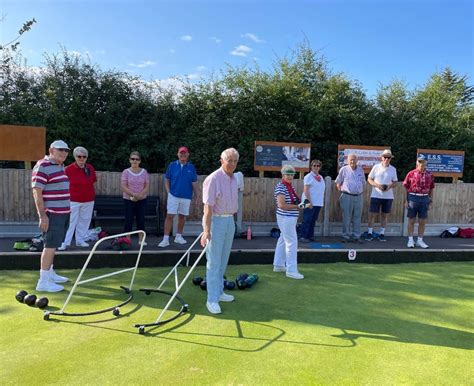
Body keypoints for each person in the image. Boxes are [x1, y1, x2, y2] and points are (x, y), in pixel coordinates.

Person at [200, 148, 239, 314]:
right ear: (221, 160)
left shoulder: (234, 178)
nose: (232, 164)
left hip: (230, 220)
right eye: (229, 160)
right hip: (216, 221)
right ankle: (212, 299)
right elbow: (207, 208)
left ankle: (220, 292)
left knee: (223, 259)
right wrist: (206, 230)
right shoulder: (213, 178)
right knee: (214, 262)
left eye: (234, 161)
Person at [31, 140, 71, 292]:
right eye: (60, 149)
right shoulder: (43, 165)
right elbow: (37, 192)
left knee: (54, 245)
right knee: (50, 246)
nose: (64, 152)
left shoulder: (60, 166)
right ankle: (43, 282)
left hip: (63, 213)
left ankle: (50, 273)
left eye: (66, 150)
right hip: (52, 214)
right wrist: (42, 216)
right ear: (51, 150)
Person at [273, 164, 310, 279]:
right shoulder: (281, 187)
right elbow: (282, 205)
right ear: (283, 175)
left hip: (288, 218)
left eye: (291, 174)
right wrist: (298, 206)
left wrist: (302, 204)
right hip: (286, 217)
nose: (289, 176)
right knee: (291, 242)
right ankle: (291, 270)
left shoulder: (289, 187)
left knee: (283, 239)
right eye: (287, 174)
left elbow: (293, 202)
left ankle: (278, 265)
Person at [158, 146, 198, 248]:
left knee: (182, 216)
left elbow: (194, 182)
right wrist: (168, 191)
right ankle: (165, 239)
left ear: (188, 155)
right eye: (181, 153)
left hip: (186, 196)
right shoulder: (172, 165)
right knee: (170, 216)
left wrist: (197, 195)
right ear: (178, 154)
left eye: (184, 153)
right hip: (173, 195)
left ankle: (178, 237)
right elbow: (167, 179)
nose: (182, 155)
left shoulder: (191, 167)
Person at [58, 146, 97, 250]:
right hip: (73, 200)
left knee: (84, 220)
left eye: (84, 156)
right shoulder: (68, 169)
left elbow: (92, 181)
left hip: (88, 199)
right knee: (70, 222)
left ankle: (80, 240)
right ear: (75, 157)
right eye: (79, 156)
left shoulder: (90, 168)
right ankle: (64, 242)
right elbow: (62, 185)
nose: (82, 159)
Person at [403, 154, 435, 248]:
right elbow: (406, 187)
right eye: (419, 161)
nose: (421, 163)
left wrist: (430, 201)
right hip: (413, 197)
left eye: (423, 162)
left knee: (422, 221)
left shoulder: (430, 175)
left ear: (426, 163)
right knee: (411, 220)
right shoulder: (411, 173)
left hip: (425, 198)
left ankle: (420, 240)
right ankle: (410, 240)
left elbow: (432, 188)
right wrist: (406, 200)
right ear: (417, 162)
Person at [365, 149, 398, 241]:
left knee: (385, 215)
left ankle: (382, 233)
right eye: (385, 157)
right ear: (381, 157)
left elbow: (395, 182)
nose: (386, 159)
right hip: (376, 195)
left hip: (388, 196)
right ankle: (369, 233)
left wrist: (389, 186)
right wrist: (378, 185)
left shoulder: (393, 169)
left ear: (391, 158)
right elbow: (369, 179)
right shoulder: (376, 167)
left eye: (388, 157)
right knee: (372, 215)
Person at [335, 153, 366, 243]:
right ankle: (345, 236)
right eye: (351, 159)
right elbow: (338, 182)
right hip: (346, 196)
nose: (352, 161)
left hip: (358, 196)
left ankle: (356, 236)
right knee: (346, 217)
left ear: (357, 160)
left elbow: (363, 182)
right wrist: (342, 191)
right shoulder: (344, 169)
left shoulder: (361, 170)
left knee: (357, 217)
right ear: (348, 161)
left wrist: (360, 191)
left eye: (354, 159)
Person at [121, 151, 150, 246]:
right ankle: (127, 241)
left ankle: (141, 240)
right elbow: (123, 186)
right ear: (129, 160)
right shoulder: (126, 172)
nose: (135, 161)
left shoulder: (144, 172)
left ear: (140, 161)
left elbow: (147, 185)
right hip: (128, 199)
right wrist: (134, 195)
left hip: (142, 199)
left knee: (140, 219)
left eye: (137, 159)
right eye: (133, 159)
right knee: (128, 219)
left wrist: (140, 195)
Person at [299, 159, 325, 242]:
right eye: (314, 165)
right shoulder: (308, 177)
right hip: (309, 202)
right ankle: (303, 236)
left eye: (318, 166)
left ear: (320, 167)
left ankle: (310, 236)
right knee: (307, 220)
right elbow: (306, 191)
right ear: (311, 166)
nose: (316, 167)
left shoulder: (320, 177)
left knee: (313, 220)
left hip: (318, 202)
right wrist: (309, 202)